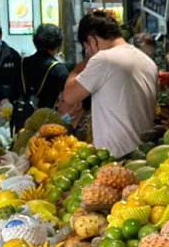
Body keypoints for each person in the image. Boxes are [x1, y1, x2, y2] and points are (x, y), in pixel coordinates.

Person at [60, 11, 158, 158]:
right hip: (143, 155)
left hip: (115, 156)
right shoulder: (147, 61)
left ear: (92, 41)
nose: (88, 52)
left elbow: (69, 97)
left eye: (86, 48)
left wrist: (78, 67)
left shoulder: (103, 59)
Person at [9, 22, 69, 131]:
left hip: (23, 123)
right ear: (58, 45)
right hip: (48, 127)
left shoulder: (22, 63)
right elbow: (66, 100)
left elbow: (12, 94)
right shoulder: (59, 69)